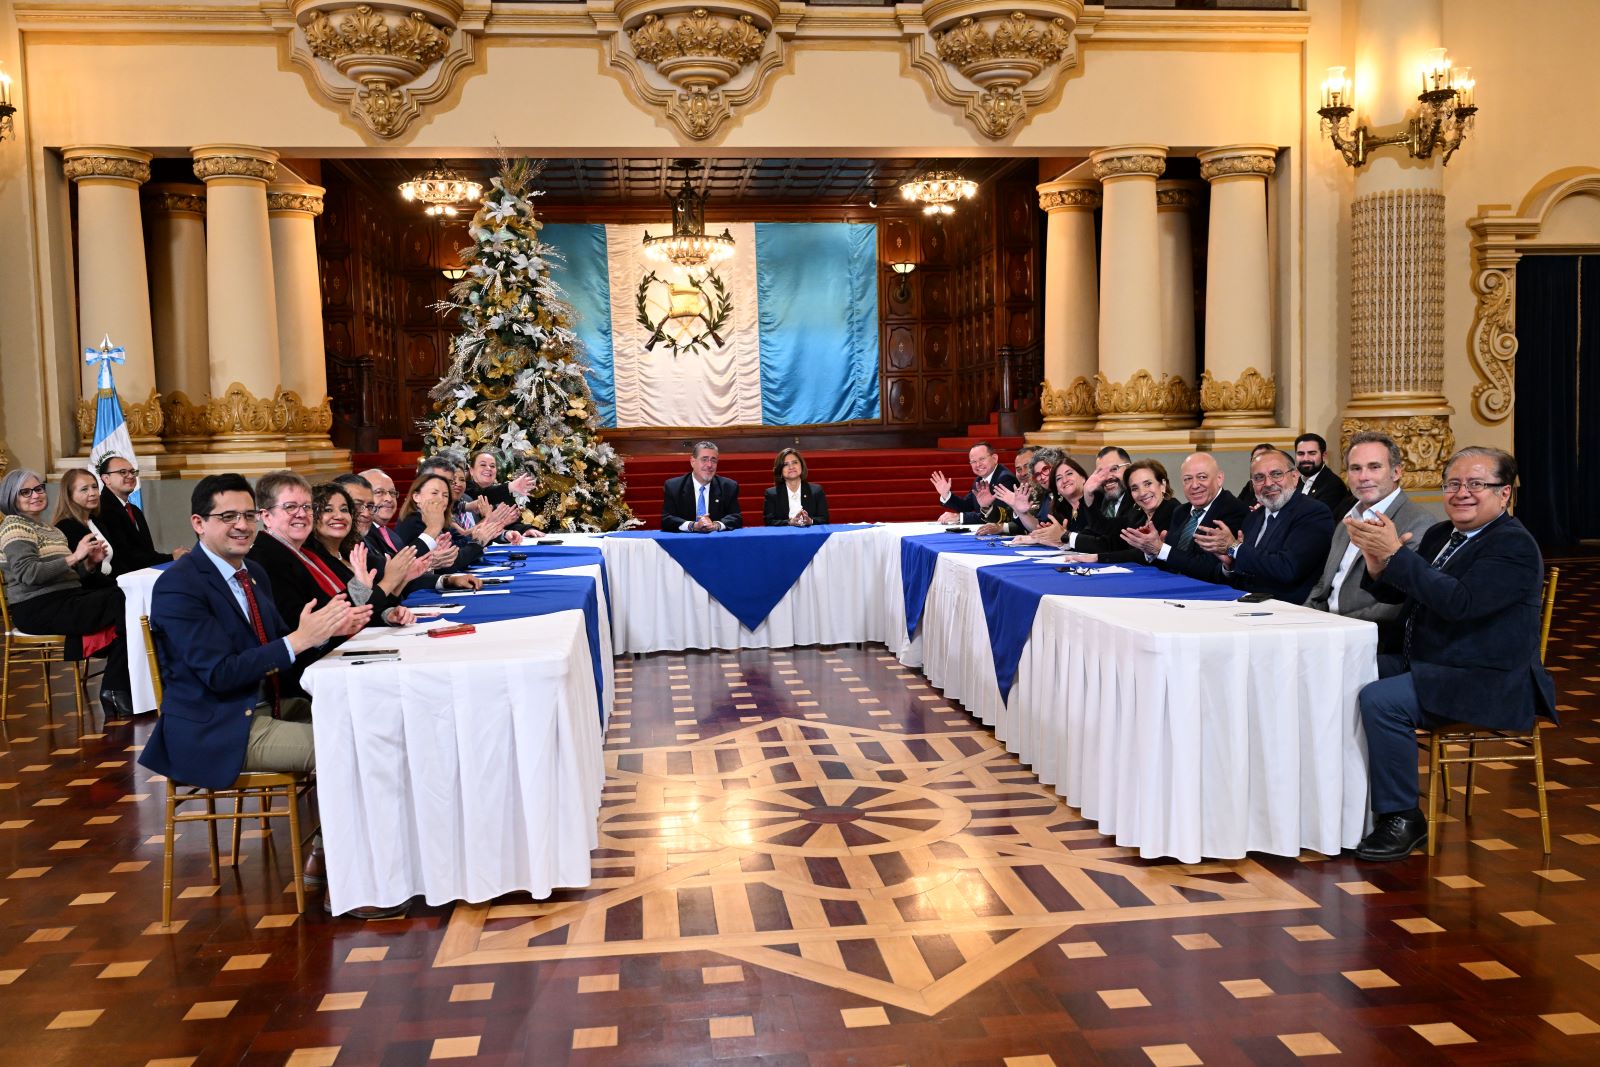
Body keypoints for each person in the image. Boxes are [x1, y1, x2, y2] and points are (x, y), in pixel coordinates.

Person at [136, 475, 404, 920]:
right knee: (351, 747)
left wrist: (331, 630)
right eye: (228, 517)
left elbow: (285, 646)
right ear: (198, 523)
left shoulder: (252, 572)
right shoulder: (180, 585)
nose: (241, 526)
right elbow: (220, 674)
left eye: (247, 516)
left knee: (377, 721)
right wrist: (299, 640)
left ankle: (333, 857)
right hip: (220, 725)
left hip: (269, 703)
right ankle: (346, 881)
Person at [1346, 447, 1556, 861]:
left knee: (1381, 700)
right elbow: (1408, 591)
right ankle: (1347, 800)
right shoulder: (1445, 534)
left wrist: (1397, 556)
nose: (1462, 493)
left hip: (1485, 678)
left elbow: (1459, 603)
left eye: (1477, 484)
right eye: (1454, 484)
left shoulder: (1512, 545)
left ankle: (1403, 817)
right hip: (1431, 661)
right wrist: (1377, 564)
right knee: (1344, 670)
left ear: (1504, 494)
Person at [0, 468, 131, 714]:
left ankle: (120, 684)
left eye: (38, 489)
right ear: (11, 498)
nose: (35, 495)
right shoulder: (14, 526)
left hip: (66, 598)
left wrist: (90, 564)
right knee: (124, 600)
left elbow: (69, 577)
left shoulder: (51, 530)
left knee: (129, 601)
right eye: (25, 492)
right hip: (37, 607)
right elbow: (28, 574)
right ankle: (114, 687)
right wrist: (74, 557)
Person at [1305, 432, 1435, 651]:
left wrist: (1337, 627)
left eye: (1374, 467)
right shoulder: (1347, 520)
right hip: (1324, 631)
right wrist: (1304, 617)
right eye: (1355, 468)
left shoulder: (1419, 523)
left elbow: (1398, 603)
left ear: (1396, 472)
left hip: (1370, 641)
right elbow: (1324, 584)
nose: (1363, 476)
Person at [1175, 448, 1335, 603]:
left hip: (1286, 609)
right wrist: (1229, 566)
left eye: (1276, 474)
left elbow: (1288, 569)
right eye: (1259, 478)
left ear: (1294, 476)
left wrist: (1234, 548)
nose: (1268, 483)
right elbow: (1243, 568)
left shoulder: (1313, 513)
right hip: (1242, 603)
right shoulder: (1253, 517)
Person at [305, 482, 416, 626]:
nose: (339, 516)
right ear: (311, 515)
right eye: (327, 509)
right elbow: (345, 615)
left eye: (344, 509)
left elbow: (371, 608)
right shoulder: (313, 561)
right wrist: (389, 581)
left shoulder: (351, 553)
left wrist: (388, 614)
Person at [1120, 452, 1249, 572]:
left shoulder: (1233, 509)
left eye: (1202, 477)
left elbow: (1209, 567)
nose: (1194, 485)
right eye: (1188, 479)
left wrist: (1160, 549)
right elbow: (1170, 560)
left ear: (1219, 478)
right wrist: (1151, 551)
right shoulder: (1181, 511)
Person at [1061, 460, 1178, 565]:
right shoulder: (1138, 514)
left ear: (1162, 485)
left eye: (1148, 484)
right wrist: (1088, 493)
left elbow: (1139, 554)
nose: (1142, 492)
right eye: (1134, 488)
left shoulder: (1174, 511)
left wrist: (1097, 558)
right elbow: (1104, 527)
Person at [92, 453, 188, 575]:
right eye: (123, 472)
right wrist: (171, 557)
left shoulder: (134, 510)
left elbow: (147, 552)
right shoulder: (103, 509)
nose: (130, 476)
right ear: (106, 479)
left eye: (132, 472)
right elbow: (126, 556)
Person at [1009, 457, 1098, 548]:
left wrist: (1064, 536)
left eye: (1069, 474)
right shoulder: (1061, 508)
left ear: (1083, 478)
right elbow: (1064, 541)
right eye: (1059, 478)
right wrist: (1041, 538)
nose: (1065, 480)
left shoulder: (1096, 502)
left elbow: (1100, 543)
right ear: (1056, 487)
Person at [663, 441, 742, 532]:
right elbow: (667, 519)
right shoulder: (674, 487)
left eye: (713, 460)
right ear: (693, 461)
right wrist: (693, 526)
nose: (709, 465)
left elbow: (736, 517)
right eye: (704, 459)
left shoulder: (728, 487)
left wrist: (716, 525)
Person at [931, 442, 1018, 525]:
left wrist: (959, 517)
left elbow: (997, 516)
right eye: (973, 461)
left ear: (995, 458)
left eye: (982, 459)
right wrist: (946, 494)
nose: (978, 464)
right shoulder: (979, 479)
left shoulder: (1005, 479)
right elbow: (966, 506)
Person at [53, 468, 115, 578]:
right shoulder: (64, 527)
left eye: (94, 487)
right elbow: (71, 573)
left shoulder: (97, 522)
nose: (92, 493)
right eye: (84, 489)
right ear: (69, 495)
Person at [984, 447, 1061, 536]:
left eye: (1028, 466)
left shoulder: (1048, 492)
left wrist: (1003, 527)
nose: (1023, 473)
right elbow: (1008, 516)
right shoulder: (1026, 490)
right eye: (1019, 469)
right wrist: (986, 507)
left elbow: (1041, 527)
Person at [1294, 432, 1357, 518]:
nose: (1305, 458)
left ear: (1324, 456)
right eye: (1300, 454)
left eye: (1312, 453)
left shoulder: (1333, 485)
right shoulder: (1296, 481)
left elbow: (1313, 520)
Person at [763, 447, 830, 526]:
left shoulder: (816, 491)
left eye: (795, 462)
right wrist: (789, 522)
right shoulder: (772, 494)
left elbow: (824, 519)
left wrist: (810, 521)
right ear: (780, 470)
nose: (791, 467)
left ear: (801, 465)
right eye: (786, 464)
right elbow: (769, 522)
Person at [1235, 442, 1278, 510]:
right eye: (1254, 460)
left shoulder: (1278, 484)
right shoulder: (1250, 485)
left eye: (1262, 459)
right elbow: (1236, 507)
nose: (1258, 463)